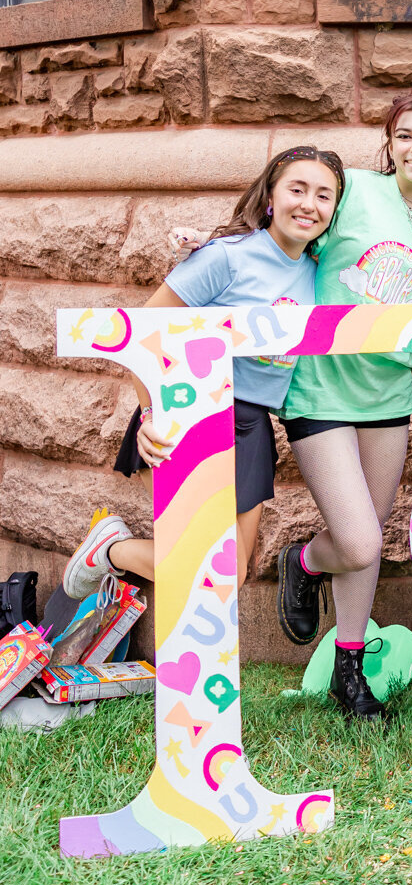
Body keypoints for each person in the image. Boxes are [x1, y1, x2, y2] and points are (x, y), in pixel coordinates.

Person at [62, 146, 345, 609]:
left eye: (323, 195)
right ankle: (111, 551)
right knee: (201, 561)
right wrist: (152, 414)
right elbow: (142, 335)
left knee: (231, 571)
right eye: (297, 189)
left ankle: (110, 551)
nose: (308, 204)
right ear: (270, 195)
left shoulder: (320, 273)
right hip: (191, 412)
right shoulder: (226, 257)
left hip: (252, 421)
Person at [274, 93, 412, 722]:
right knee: (354, 541)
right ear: (390, 144)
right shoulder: (352, 189)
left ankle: (348, 670)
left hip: (389, 393)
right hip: (320, 386)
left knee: (371, 541)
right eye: (405, 135)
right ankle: (302, 562)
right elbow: (288, 230)